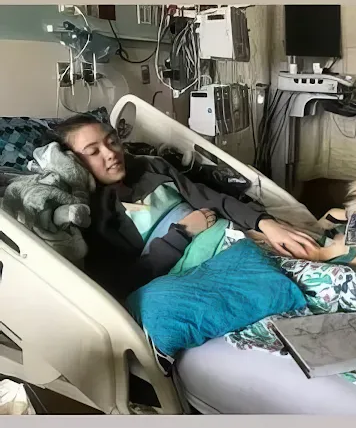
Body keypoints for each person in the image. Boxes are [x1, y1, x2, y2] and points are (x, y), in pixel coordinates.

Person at [52, 114, 318, 301]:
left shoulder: (151, 167)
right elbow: (124, 282)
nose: (110, 153)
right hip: (204, 265)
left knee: (311, 244)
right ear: (73, 163)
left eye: (111, 141)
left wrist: (265, 223)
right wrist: (182, 233)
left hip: (234, 234)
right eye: (93, 151)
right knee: (306, 278)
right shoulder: (93, 217)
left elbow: (209, 198)